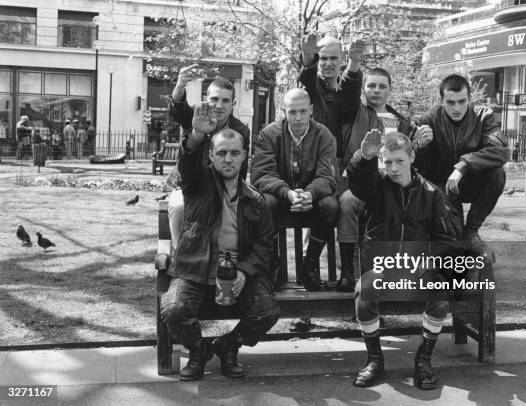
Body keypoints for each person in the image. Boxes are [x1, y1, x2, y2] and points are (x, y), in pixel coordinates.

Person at [160, 106, 280, 381]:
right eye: (222, 153)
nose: (228, 159)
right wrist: (196, 136)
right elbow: (189, 162)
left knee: (267, 311)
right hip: (197, 269)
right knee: (174, 309)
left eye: (235, 153)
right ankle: (199, 352)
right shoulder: (197, 184)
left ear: (243, 157)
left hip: (239, 272)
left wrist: (244, 271)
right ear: (211, 156)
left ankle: (229, 346)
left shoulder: (255, 199)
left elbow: (264, 244)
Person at [348, 130, 458, 389]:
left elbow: (445, 240)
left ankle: (424, 359)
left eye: (400, 161)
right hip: (382, 269)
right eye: (387, 162)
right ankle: (374, 360)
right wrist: (364, 157)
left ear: (411, 157)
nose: (394, 168)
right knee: (364, 291)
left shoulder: (431, 193)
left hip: (417, 271)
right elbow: (358, 182)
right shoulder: (377, 186)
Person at [335, 67, 428, 292]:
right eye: (371, 85)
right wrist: (354, 67)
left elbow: (408, 155)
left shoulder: (402, 121)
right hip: (361, 181)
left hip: (391, 182)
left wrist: (420, 144)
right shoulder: (354, 112)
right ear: (363, 88)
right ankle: (348, 271)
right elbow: (345, 93)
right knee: (347, 203)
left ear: (389, 89)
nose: (376, 91)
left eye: (382, 86)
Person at [251, 88, 338, 292]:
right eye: (292, 112)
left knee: (331, 205)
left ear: (311, 110)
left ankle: (310, 265)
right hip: (280, 200)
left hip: (311, 201)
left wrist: (310, 193)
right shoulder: (270, 134)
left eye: (302, 111)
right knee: (265, 202)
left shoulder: (324, 135)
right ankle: (273, 264)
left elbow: (327, 176)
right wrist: (287, 193)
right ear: (284, 111)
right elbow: (261, 175)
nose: (298, 118)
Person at [415, 74, 507, 250]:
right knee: (454, 242)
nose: (457, 108)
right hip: (441, 185)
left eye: (462, 101)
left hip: (472, 182)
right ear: (442, 100)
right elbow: (419, 167)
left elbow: (500, 151)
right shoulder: (429, 119)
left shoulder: (484, 116)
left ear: (470, 99)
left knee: (498, 173)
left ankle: (472, 231)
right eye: (450, 102)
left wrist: (463, 166)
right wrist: (420, 147)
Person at [166, 68, 251, 248]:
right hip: (190, 185)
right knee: (179, 206)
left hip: (224, 187)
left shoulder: (241, 131)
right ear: (206, 98)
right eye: (214, 99)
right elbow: (177, 109)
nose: (219, 106)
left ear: (233, 103)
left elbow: (240, 170)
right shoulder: (195, 117)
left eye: (225, 101)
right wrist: (180, 84)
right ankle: (179, 253)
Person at [299, 33, 364, 160]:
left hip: (347, 166)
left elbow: (350, 90)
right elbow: (308, 78)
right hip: (318, 163)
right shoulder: (312, 90)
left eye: (333, 58)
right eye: (323, 58)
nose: (328, 63)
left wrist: (354, 62)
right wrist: (307, 56)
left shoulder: (347, 92)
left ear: (342, 59)